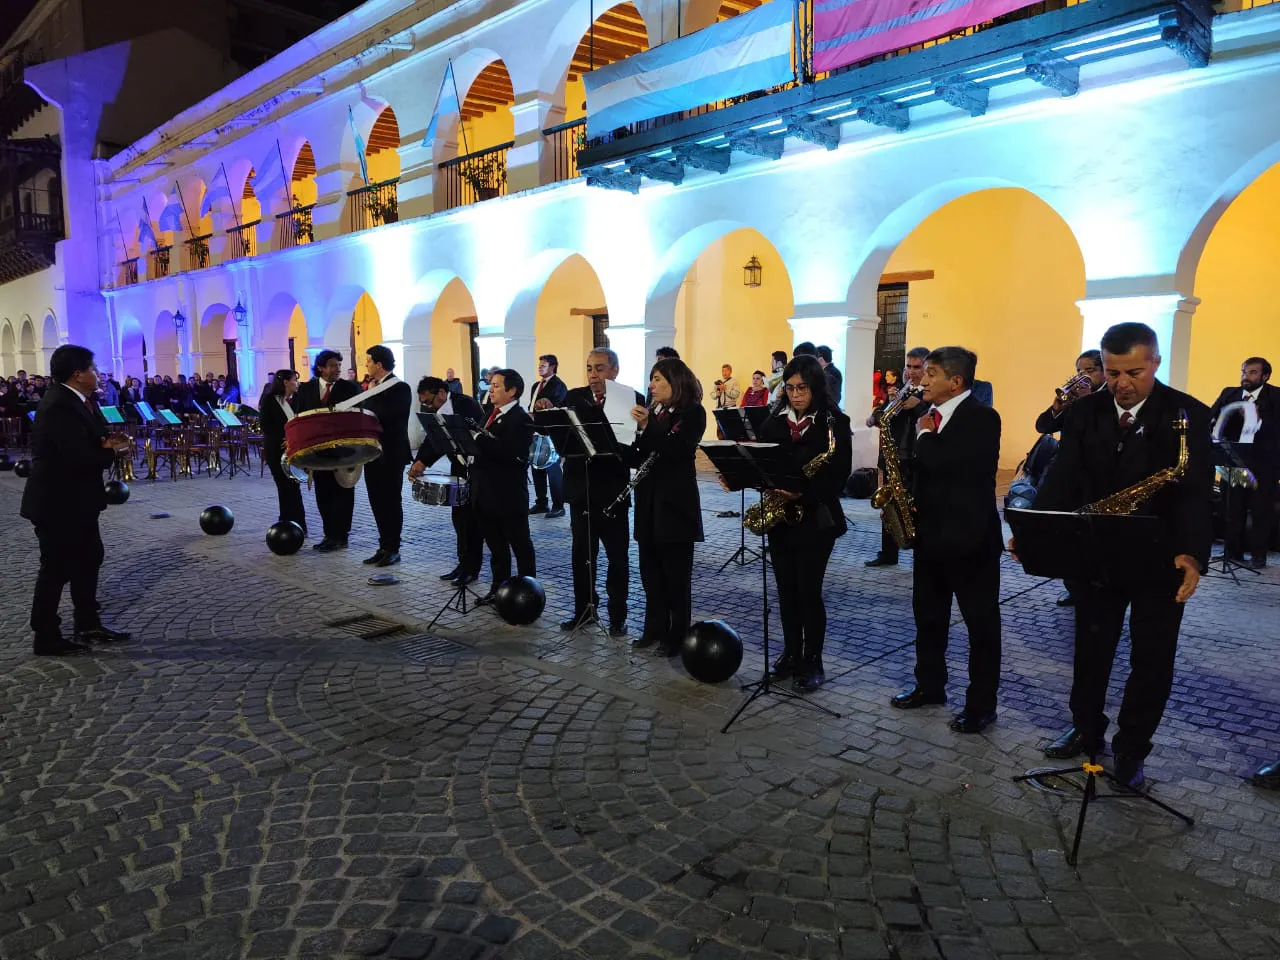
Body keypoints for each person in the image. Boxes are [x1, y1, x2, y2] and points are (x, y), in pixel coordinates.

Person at [1027, 322, 1212, 788]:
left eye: (1134, 371)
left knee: (1152, 660)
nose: (1123, 383)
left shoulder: (1189, 414)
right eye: (1112, 373)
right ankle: (1087, 732)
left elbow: (1195, 495)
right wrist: (1039, 532)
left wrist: (1192, 554)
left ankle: (1132, 749)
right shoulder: (1084, 411)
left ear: (1155, 363)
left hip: (1160, 558)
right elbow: (1061, 477)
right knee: (1091, 651)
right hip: (1095, 553)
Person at [891, 346, 1002, 735]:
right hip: (931, 535)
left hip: (971, 540)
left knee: (981, 626)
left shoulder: (982, 418)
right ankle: (930, 685)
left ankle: (981, 705)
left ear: (955, 381)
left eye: (932, 374)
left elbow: (947, 464)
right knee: (929, 617)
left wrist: (923, 437)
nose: (924, 380)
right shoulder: (928, 416)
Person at [21, 345, 133, 656]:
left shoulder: (78, 401)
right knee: (56, 567)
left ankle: (88, 623)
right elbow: (76, 455)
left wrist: (108, 441)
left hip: (78, 500)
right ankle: (45, 635)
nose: (98, 375)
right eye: (93, 369)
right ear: (78, 374)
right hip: (58, 502)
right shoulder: (60, 404)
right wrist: (113, 451)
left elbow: (91, 438)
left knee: (89, 558)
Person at [756, 355, 853, 692]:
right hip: (781, 519)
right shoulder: (774, 423)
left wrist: (802, 493)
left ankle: (813, 661)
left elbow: (839, 474)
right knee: (785, 591)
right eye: (791, 387)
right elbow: (762, 462)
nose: (795, 394)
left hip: (816, 518)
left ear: (815, 388)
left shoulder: (834, 423)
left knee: (808, 592)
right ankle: (789, 654)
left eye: (802, 388)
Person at [561, 349, 645, 635]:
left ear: (615, 370)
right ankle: (584, 610)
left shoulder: (632, 400)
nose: (593, 375)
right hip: (580, 488)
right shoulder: (574, 398)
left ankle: (617, 617)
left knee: (617, 558)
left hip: (612, 492)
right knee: (582, 555)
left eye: (599, 369)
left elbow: (636, 451)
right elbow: (562, 437)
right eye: (589, 369)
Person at [630, 358, 706, 655]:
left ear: (675, 382)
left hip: (675, 505)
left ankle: (677, 636)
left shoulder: (693, 413)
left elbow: (675, 450)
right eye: (651, 379)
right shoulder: (656, 412)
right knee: (650, 573)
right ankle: (654, 628)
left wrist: (648, 425)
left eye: (658, 379)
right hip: (648, 503)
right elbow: (640, 455)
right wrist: (632, 434)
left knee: (675, 577)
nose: (651, 385)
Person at [410, 376, 486, 586]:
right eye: (423, 403)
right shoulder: (437, 411)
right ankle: (463, 564)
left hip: (475, 469)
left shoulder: (466, 404)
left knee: (472, 521)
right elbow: (434, 440)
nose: (427, 406)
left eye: (429, 401)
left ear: (442, 393)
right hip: (459, 468)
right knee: (459, 518)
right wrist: (421, 462)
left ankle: (473, 568)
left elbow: (477, 434)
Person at [471, 369, 537, 602]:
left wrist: (480, 440)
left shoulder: (520, 419)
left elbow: (514, 454)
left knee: (520, 545)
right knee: (496, 548)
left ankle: (528, 593)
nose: (491, 389)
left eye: (497, 385)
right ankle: (498, 589)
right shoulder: (489, 412)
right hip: (485, 491)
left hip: (508, 494)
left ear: (512, 391)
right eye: (491, 384)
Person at [1209, 356, 1276, 569]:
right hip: (1233, 461)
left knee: (1260, 511)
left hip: (1262, 465)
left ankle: (1258, 556)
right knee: (1232, 508)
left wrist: (1260, 418)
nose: (1245, 377)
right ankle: (1233, 553)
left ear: (1265, 376)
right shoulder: (1230, 393)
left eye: (1252, 372)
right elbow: (1212, 416)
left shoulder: (1276, 396)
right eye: (1243, 372)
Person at [865, 347, 930, 567]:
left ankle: (918, 552)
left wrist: (919, 405)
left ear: (927, 367)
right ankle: (888, 553)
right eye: (908, 367)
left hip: (913, 457)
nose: (911, 372)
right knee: (889, 504)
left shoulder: (928, 393)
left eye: (917, 367)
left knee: (913, 506)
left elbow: (931, 418)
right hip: (892, 456)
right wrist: (875, 416)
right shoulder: (902, 390)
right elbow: (884, 412)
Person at [295, 350, 361, 552]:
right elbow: (299, 417)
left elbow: (357, 416)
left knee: (343, 493)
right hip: (318, 453)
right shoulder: (306, 389)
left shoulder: (350, 388)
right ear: (321, 367)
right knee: (323, 493)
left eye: (339, 366)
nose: (337, 369)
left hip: (343, 452)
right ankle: (328, 534)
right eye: (333, 365)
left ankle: (341, 536)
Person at [354, 345, 413, 566]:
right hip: (371, 453)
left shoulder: (400, 388)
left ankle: (393, 547)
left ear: (379, 364)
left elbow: (388, 417)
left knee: (390, 501)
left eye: (368, 361)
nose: (366, 365)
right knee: (376, 501)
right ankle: (382, 545)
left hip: (391, 453)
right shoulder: (371, 388)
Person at [260, 369, 308, 536]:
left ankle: (299, 525)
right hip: (277, 450)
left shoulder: (294, 401)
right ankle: (286, 522)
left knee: (294, 486)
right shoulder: (270, 400)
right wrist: (283, 438)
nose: (297, 383)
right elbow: (265, 425)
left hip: (294, 450)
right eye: (295, 380)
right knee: (284, 486)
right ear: (286, 382)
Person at [528, 354, 567, 519]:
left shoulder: (559, 385)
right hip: (536, 430)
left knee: (553, 470)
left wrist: (549, 405)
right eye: (539, 365)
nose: (540, 367)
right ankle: (541, 502)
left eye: (543, 365)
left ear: (553, 367)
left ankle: (558, 505)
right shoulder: (536, 385)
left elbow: (560, 408)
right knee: (536, 467)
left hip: (551, 434)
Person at [1035, 350, 1106, 436]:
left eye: (1090, 371)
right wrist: (1056, 410)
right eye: (1080, 372)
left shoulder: (1111, 396)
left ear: (1105, 372)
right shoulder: (1074, 396)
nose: (1083, 376)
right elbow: (1042, 427)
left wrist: (1086, 400)